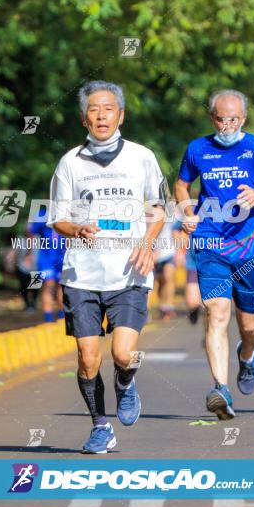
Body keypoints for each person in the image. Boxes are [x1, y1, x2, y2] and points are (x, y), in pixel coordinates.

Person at [48, 80, 167, 453]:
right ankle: (101, 426)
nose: (101, 115)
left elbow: (159, 209)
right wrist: (76, 227)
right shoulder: (70, 162)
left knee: (122, 354)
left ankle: (126, 382)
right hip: (81, 274)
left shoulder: (142, 157)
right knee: (87, 358)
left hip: (130, 271)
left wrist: (148, 244)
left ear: (121, 115)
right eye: (94, 110)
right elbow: (57, 218)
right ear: (84, 119)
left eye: (108, 108)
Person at [175, 89, 254, 420]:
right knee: (217, 313)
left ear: (244, 118)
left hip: (249, 246)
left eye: (234, 119)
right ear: (212, 118)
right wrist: (186, 210)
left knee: (249, 325)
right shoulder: (198, 149)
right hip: (210, 243)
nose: (227, 126)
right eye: (221, 119)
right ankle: (220, 389)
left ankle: (247, 355)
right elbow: (182, 184)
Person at [26, 220, 66, 323]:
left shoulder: (67, 213)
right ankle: (48, 319)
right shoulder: (42, 215)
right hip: (46, 259)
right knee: (48, 286)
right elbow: (30, 232)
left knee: (62, 287)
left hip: (63, 258)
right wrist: (29, 252)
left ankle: (62, 318)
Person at [173, 219, 202, 324]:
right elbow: (176, 229)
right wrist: (179, 251)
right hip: (193, 261)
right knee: (193, 302)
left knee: (213, 306)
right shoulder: (190, 210)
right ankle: (195, 310)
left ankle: (210, 336)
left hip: (216, 261)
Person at [152, 219, 177, 320]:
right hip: (153, 254)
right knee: (158, 282)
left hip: (168, 252)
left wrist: (180, 251)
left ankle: (168, 306)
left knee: (168, 278)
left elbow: (177, 230)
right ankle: (160, 306)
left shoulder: (172, 215)